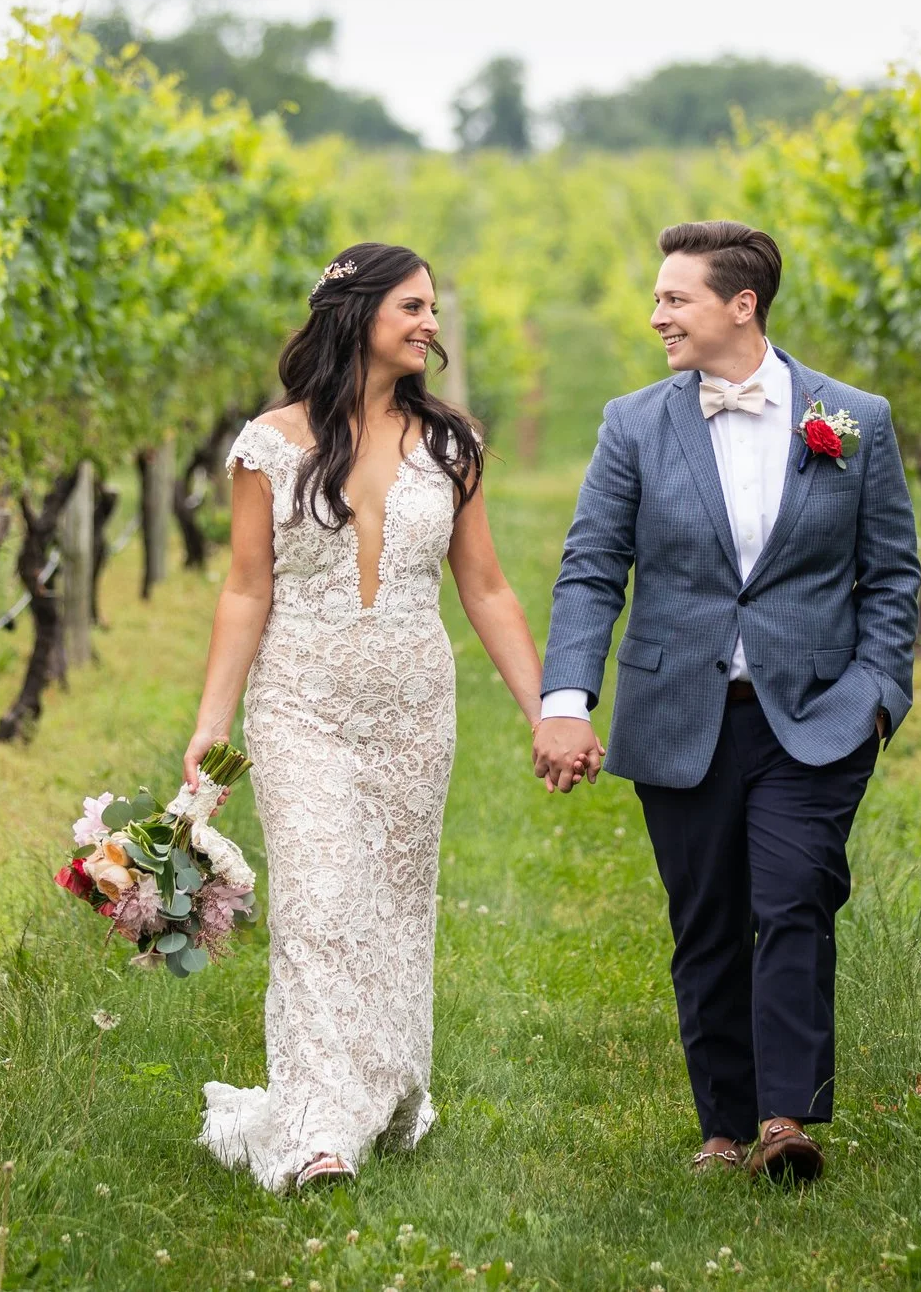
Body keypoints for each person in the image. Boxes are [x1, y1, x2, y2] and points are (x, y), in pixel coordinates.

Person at [533, 220, 921, 1184]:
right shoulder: (633, 423)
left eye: (676, 297)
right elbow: (591, 571)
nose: (657, 312)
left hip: (819, 714)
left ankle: (786, 1121)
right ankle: (723, 1122)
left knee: (795, 900)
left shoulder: (853, 417)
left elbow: (892, 574)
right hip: (678, 715)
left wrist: (877, 695)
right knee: (706, 919)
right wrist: (567, 698)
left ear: (740, 305)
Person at [183, 242, 547, 1192]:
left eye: (433, 308)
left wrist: (547, 709)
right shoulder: (269, 442)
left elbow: (489, 588)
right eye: (415, 307)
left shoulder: (451, 443)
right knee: (317, 902)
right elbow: (245, 588)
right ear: (359, 315)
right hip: (301, 697)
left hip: (413, 706)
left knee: (392, 905)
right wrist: (213, 722)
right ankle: (312, 1127)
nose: (431, 324)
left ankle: (378, 1088)